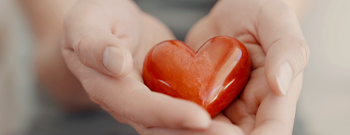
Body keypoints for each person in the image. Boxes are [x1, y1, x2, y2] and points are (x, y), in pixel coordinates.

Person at [21, 0, 310, 134]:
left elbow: (275, 15)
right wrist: (85, 47)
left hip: (255, 109)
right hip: (80, 122)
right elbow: (51, 53)